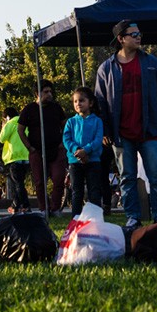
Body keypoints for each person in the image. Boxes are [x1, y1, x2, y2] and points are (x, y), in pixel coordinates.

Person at [94, 20, 157, 228]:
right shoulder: (106, 68)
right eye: (133, 34)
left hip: (149, 130)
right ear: (121, 39)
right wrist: (104, 129)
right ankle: (133, 217)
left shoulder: (151, 62)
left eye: (139, 33)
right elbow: (100, 102)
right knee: (127, 178)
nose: (139, 36)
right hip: (120, 133)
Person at [17, 79, 68, 216]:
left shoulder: (56, 108)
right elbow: (20, 130)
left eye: (50, 91)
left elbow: (66, 126)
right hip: (37, 151)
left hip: (56, 150)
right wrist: (29, 147)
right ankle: (43, 208)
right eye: (46, 92)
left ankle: (55, 208)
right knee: (39, 182)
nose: (49, 94)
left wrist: (63, 144)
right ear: (37, 93)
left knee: (58, 179)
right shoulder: (29, 109)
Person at [63, 87, 105, 216]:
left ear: (90, 103)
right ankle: (76, 219)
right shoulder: (71, 122)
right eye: (75, 101)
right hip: (75, 162)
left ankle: (95, 218)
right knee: (77, 191)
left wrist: (86, 150)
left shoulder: (97, 121)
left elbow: (98, 140)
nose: (78, 104)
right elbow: (66, 138)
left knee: (94, 191)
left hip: (93, 161)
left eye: (81, 100)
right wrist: (76, 150)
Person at [0, 106, 31, 214]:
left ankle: (25, 205)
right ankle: (15, 205)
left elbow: (2, 138)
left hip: (14, 157)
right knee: (19, 182)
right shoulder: (24, 122)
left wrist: (4, 126)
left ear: (6, 117)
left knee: (18, 184)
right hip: (25, 157)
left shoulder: (11, 123)